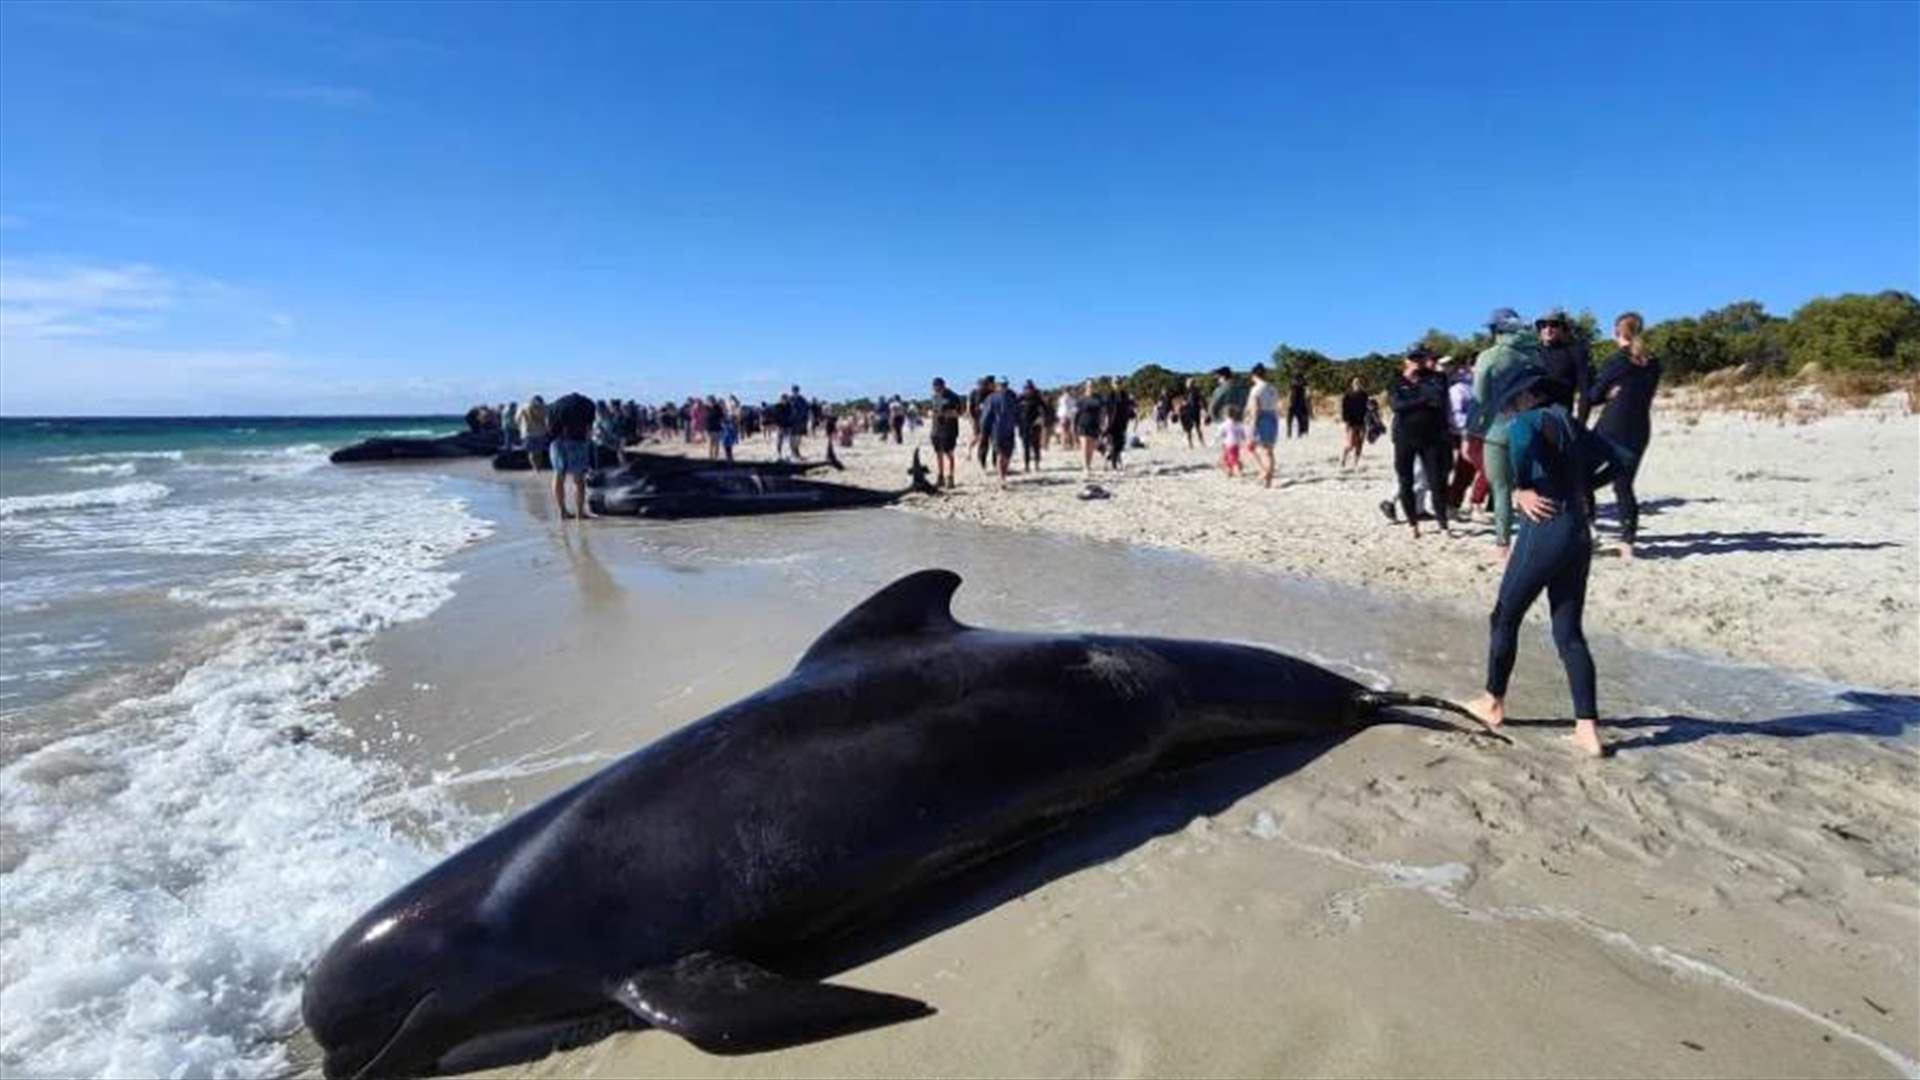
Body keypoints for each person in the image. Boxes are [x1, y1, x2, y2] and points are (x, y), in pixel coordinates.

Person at [1465, 365, 1631, 758]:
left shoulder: (1528, 420)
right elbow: (1622, 458)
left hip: (1545, 529)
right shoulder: (1570, 422)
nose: (1509, 408)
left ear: (1523, 396)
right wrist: (1582, 486)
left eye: (1510, 400)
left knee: (1504, 616)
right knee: (1569, 632)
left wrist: (1523, 487)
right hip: (1578, 533)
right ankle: (1587, 730)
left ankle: (1492, 703)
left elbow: (1521, 445)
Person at [1587, 311, 1662, 556]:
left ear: (1616, 333)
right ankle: (1628, 541)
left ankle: (1589, 529)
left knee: (1581, 477)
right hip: (1639, 430)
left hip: (1610, 430)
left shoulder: (1616, 361)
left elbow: (1592, 396)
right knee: (1624, 486)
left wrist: (1606, 394)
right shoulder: (1654, 363)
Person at [1469, 307, 1540, 552]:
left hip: (1496, 429)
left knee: (1501, 489)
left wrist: (1471, 431)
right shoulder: (1533, 355)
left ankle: (1503, 545)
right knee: (1531, 486)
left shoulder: (1488, 357)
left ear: (1494, 330)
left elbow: (1478, 398)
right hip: (1530, 426)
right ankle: (1535, 540)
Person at [1387, 346, 1453, 537]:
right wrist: (1423, 399)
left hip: (1431, 437)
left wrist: (1413, 398)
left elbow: (1438, 399)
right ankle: (1412, 524)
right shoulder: (1396, 381)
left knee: (1436, 481)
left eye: (1421, 358)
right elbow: (1396, 406)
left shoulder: (1436, 378)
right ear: (1406, 360)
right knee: (1405, 480)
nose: (1417, 361)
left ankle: (1443, 524)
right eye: (1413, 358)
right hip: (1404, 437)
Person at [1535, 308, 1593, 424]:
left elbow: (1585, 390)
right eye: (1543, 325)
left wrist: (1581, 423)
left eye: (1554, 325)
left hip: (1560, 417)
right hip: (1533, 417)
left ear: (1562, 329)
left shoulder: (1575, 352)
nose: (1548, 329)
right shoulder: (1533, 353)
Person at [547, 391, 597, 520]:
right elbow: (589, 426)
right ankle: (580, 513)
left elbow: (549, 425)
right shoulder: (587, 405)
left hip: (557, 441)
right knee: (579, 480)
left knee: (558, 476)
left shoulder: (555, 405)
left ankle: (562, 511)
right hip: (577, 441)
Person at [1443, 357, 1479, 518]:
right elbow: (1455, 414)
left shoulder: (1480, 385)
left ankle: (1458, 503)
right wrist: (1465, 430)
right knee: (1464, 469)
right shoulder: (1459, 388)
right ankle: (1453, 504)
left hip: (1480, 431)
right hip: (1462, 432)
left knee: (1469, 470)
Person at [1244, 363, 1281, 487]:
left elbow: (1255, 410)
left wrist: (1252, 426)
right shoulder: (1273, 388)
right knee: (1269, 451)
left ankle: (1265, 474)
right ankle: (1267, 479)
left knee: (1261, 450)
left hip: (1261, 419)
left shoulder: (1256, 389)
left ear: (1254, 375)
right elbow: (1276, 405)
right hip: (1273, 418)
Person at [979, 377, 1021, 487]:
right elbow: (1018, 413)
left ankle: (1002, 477)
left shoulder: (992, 398)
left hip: (998, 429)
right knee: (1005, 453)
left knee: (1002, 453)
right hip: (1006, 429)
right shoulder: (1012, 396)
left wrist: (984, 430)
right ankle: (1002, 476)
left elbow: (986, 416)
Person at [929, 377, 963, 488]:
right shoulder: (935, 397)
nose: (935, 389)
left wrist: (944, 413)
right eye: (934, 387)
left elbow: (958, 413)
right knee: (938, 454)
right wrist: (931, 413)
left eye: (937, 387)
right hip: (936, 429)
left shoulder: (953, 397)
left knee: (949, 454)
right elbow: (933, 411)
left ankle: (951, 477)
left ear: (943, 386)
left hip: (950, 430)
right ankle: (940, 477)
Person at [1101, 377, 1135, 470]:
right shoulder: (1109, 396)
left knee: (1119, 444)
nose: (1117, 384)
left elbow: (1129, 408)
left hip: (1122, 423)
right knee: (1111, 444)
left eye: (1119, 383)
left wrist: (1132, 415)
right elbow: (1104, 410)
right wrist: (1104, 422)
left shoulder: (1125, 395)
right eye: (1116, 383)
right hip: (1111, 423)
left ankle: (1115, 460)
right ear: (1112, 384)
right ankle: (1111, 463)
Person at [1072, 379, 1103, 476]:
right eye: (1089, 385)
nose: (1091, 387)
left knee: (1091, 448)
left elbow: (1101, 413)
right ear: (1086, 387)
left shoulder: (1098, 399)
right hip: (1083, 425)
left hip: (1094, 425)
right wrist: (1074, 427)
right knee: (1085, 446)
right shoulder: (1081, 400)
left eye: (1093, 385)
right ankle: (1085, 467)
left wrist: (1102, 424)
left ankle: (1089, 465)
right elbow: (1075, 414)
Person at [1017, 380, 1049, 472]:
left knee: (1035, 446)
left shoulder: (1037, 398)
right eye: (1026, 388)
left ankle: (1037, 464)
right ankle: (1026, 465)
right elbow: (1015, 409)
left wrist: (1040, 419)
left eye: (1029, 388)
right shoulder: (1021, 398)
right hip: (1023, 425)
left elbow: (1045, 410)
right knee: (1025, 446)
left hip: (1035, 424)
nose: (1028, 390)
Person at [1339, 378, 1369, 468]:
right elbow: (1344, 410)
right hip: (1352, 422)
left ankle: (1355, 462)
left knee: (1360, 443)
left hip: (1362, 422)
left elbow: (1367, 408)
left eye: (1359, 383)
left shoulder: (1364, 395)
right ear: (1352, 384)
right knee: (1351, 444)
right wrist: (1346, 422)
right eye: (1355, 383)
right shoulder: (1348, 395)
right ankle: (1343, 458)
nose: (1357, 384)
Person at [518, 394, 550, 471]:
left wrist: (520, 428)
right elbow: (546, 419)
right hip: (539, 432)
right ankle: (537, 467)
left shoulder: (523, 407)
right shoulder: (544, 407)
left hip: (528, 433)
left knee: (532, 452)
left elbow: (517, 419)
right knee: (538, 452)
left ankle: (535, 467)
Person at [1217, 407, 1247, 477]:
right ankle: (1229, 471)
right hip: (1236, 444)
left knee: (1230, 459)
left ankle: (1237, 472)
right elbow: (1243, 434)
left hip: (1227, 444)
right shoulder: (1239, 424)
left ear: (1225, 415)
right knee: (1230, 458)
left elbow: (1220, 434)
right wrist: (1243, 440)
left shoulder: (1224, 424)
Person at [1178, 379, 1206, 448]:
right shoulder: (1187, 392)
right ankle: (1191, 444)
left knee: (1196, 427)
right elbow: (1184, 401)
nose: (1187, 384)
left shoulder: (1195, 391)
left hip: (1194, 411)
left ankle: (1200, 442)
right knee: (1191, 428)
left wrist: (1203, 409)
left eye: (1189, 383)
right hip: (1190, 411)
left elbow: (1200, 400)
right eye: (1187, 383)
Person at [1286, 371, 1311, 439]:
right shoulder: (1300, 382)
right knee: (1296, 418)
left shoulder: (1300, 382)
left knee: (1293, 419)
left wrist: (1288, 402)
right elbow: (1308, 393)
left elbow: (1308, 392)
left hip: (1297, 402)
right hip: (1298, 402)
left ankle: (1292, 433)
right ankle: (1293, 433)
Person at [786, 385, 808, 459]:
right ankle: (793, 452)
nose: (795, 392)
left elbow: (806, 410)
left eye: (796, 390)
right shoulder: (789, 399)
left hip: (800, 422)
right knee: (791, 438)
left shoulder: (802, 400)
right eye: (794, 390)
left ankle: (796, 451)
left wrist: (804, 420)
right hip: (791, 422)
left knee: (798, 438)